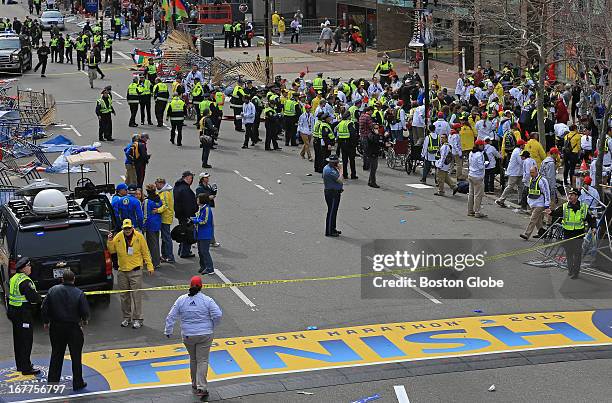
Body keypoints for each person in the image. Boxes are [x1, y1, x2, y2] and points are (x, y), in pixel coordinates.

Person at [164, 276, 222, 401]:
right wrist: (212, 325)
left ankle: (194, 384)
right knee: (202, 360)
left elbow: (171, 316)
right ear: (201, 286)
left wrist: (168, 330)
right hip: (205, 334)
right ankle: (202, 387)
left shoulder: (181, 300)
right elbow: (217, 314)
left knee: (193, 359)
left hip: (188, 335)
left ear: (189, 285)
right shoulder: (207, 300)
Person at [41, 269, 89, 391]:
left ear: (62, 279)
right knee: (76, 356)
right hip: (73, 328)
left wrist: (46, 321)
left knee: (56, 354)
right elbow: (85, 311)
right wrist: (84, 321)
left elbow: (44, 308)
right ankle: (78, 383)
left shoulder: (53, 290)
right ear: (74, 279)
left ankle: (52, 384)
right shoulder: (79, 293)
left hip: (56, 327)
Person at [107, 219, 154, 329]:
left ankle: (138, 319)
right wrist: (109, 240)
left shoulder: (139, 237)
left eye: (129, 228)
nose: (127, 230)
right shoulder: (118, 237)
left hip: (135, 271)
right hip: (122, 271)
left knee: (136, 296)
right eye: (125, 228)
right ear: (123, 228)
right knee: (124, 296)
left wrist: (150, 265)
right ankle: (126, 317)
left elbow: (145, 252)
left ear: (132, 227)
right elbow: (112, 251)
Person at [549, 188, 594, 279]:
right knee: (569, 252)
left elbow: (591, 219)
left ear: (577, 197)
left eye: (572, 195)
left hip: (578, 233)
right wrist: (551, 212)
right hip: (567, 233)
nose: (569, 196)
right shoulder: (565, 206)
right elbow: (556, 213)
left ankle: (576, 272)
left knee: (577, 253)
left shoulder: (583, 207)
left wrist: (593, 227)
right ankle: (570, 269)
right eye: (569, 194)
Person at [8, 257, 41, 376]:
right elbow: (34, 299)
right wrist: (39, 298)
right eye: (29, 266)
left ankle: (20, 364)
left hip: (14, 313)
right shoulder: (25, 282)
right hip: (23, 314)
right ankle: (26, 368)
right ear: (24, 268)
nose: (30, 267)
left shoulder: (14, 278)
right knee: (26, 340)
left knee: (18, 340)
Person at [520, 166, 551, 240]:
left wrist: (547, 205)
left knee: (533, 218)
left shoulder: (542, 180)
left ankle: (527, 234)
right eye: (530, 172)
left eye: (533, 172)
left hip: (540, 204)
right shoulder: (531, 179)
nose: (531, 174)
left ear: (537, 172)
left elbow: (547, 192)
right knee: (538, 220)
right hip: (533, 203)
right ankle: (542, 233)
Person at [496, 139, 527, 207]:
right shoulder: (517, 152)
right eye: (523, 144)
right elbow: (521, 162)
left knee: (521, 186)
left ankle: (520, 201)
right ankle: (501, 199)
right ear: (521, 145)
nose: (524, 145)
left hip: (518, 172)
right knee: (510, 186)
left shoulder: (519, 151)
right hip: (514, 172)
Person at [174, 171, 198, 258]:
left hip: (180, 214)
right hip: (186, 215)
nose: (192, 180)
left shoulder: (178, 186)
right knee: (188, 233)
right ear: (187, 178)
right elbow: (187, 204)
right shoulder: (185, 189)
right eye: (191, 178)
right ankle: (185, 251)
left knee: (183, 231)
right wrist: (191, 215)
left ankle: (182, 250)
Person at [193, 194, 215, 275]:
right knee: (200, 251)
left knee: (205, 251)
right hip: (200, 233)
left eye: (198, 199)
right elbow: (199, 218)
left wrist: (194, 221)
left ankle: (210, 268)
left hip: (205, 234)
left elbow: (204, 221)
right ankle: (203, 266)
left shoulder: (206, 209)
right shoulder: (201, 208)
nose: (197, 201)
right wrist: (193, 218)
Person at [155, 178, 175, 263]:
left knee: (166, 238)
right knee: (164, 237)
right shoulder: (163, 192)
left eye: (157, 185)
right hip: (164, 217)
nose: (156, 186)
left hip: (165, 218)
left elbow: (165, 205)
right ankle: (164, 255)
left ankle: (170, 256)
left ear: (161, 184)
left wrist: (157, 210)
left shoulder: (165, 193)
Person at [323, 155, 343, 237]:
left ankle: (333, 228)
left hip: (334, 192)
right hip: (332, 193)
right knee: (331, 212)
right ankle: (329, 231)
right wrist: (341, 169)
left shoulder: (330, 168)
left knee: (334, 211)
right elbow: (340, 180)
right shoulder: (330, 170)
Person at [143, 184, 163, 269]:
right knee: (156, 243)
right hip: (157, 223)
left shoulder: (147, 201)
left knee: (151, 244)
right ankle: (157, 260)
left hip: (150, 224)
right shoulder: (158, 199)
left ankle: (154, 262)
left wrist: (144, 225)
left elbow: (145, 214)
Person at [468, 139, 487, 218]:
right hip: (478, 176)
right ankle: (477, 212)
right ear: (479, 146)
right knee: (478, 195)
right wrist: (485, 164)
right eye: (482, 145)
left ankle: (470, 210)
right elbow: (480, 166)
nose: (483, 146)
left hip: (471, 174)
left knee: (471, 194)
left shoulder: (471, 153)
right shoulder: (480, 154)